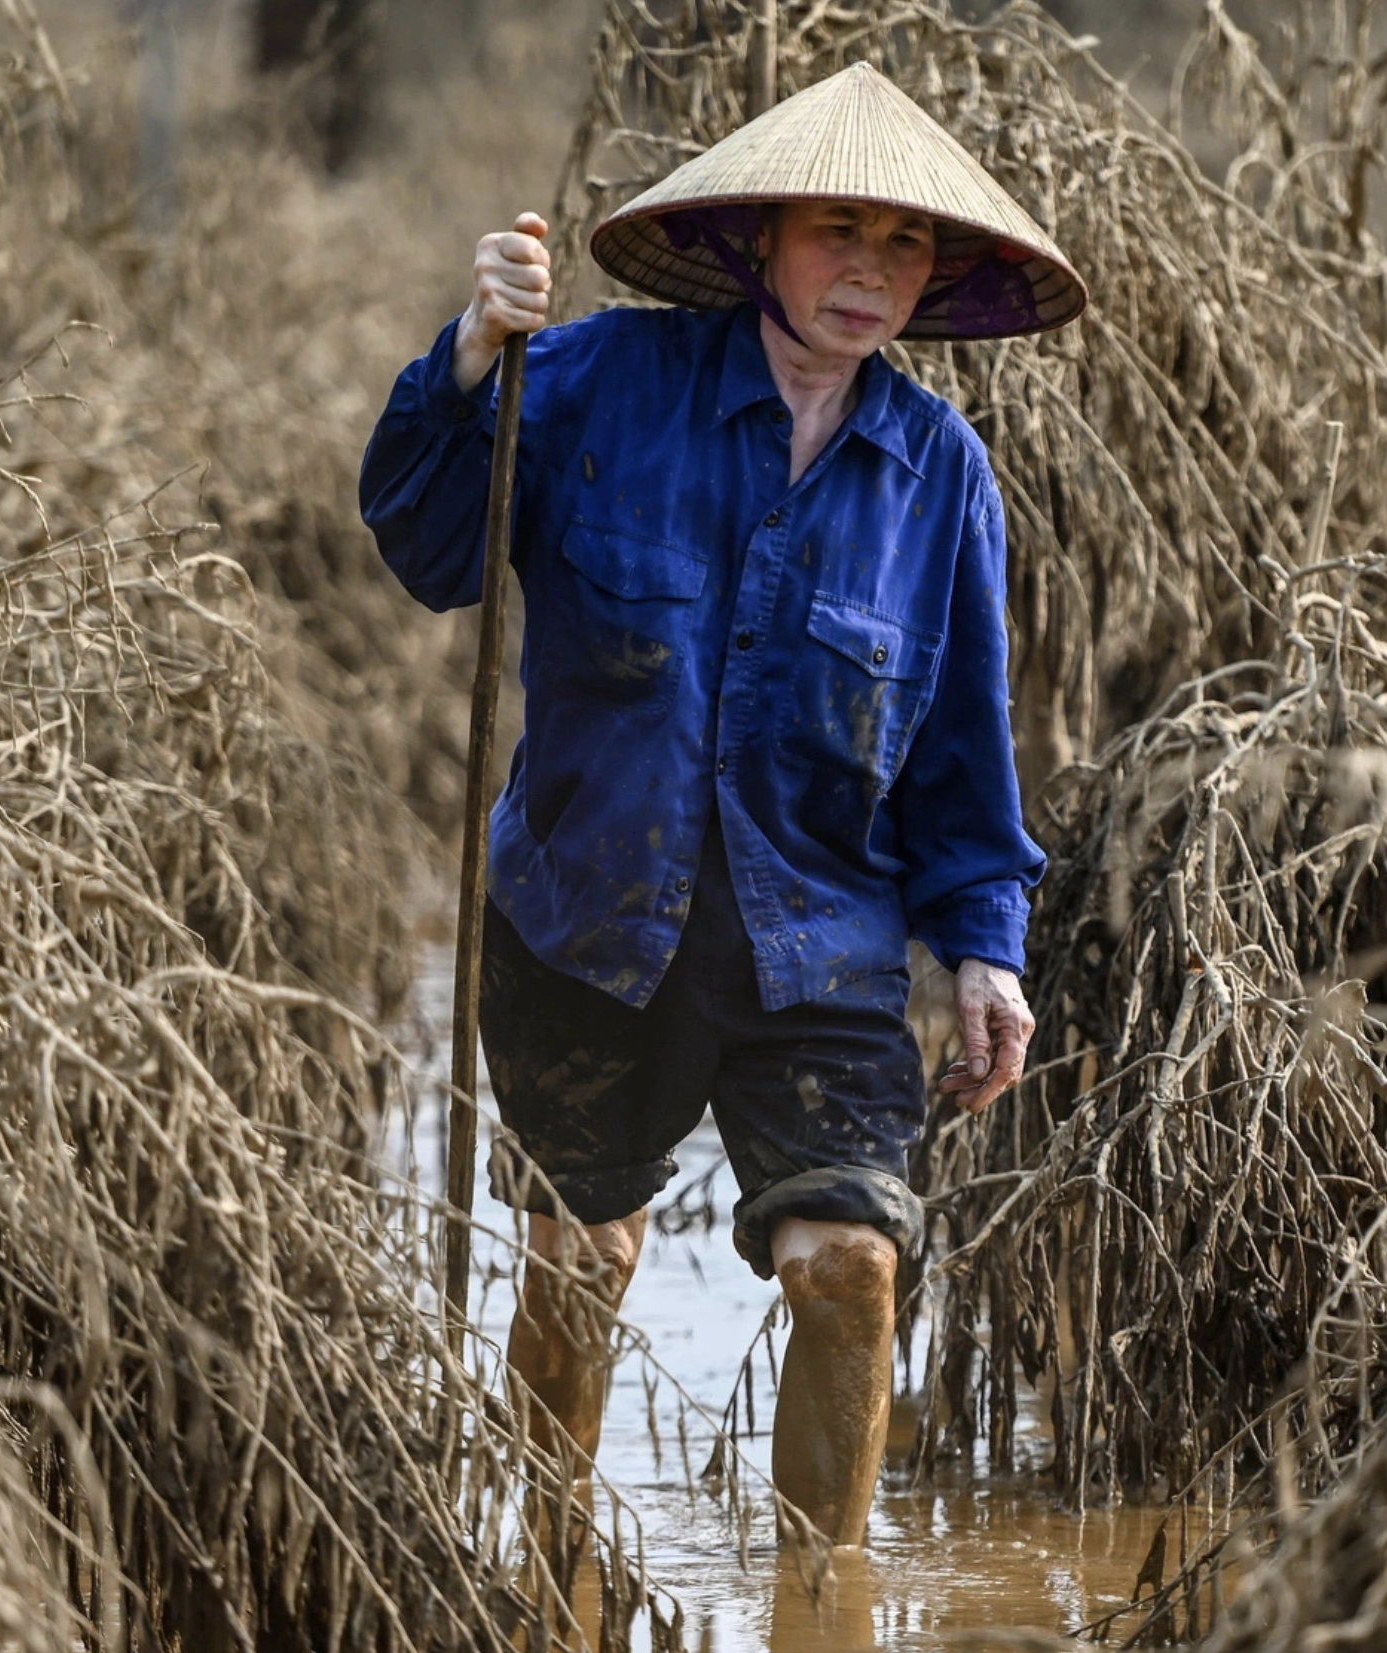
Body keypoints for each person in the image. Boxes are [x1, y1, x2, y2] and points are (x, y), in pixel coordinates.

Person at [361, 64, 1086, 1551]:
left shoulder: (941, 479)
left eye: (902, 247)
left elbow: (960, 753)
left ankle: (824, 1630)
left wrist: (985, 947)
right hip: (584, 921)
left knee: (854, 1266)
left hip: (816, 946)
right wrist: (469, 357)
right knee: (578, 1266)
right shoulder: (598, 383)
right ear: (763, 239)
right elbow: (431, 551)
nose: (869, 274)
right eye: (838, 233)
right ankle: (543, 1580)